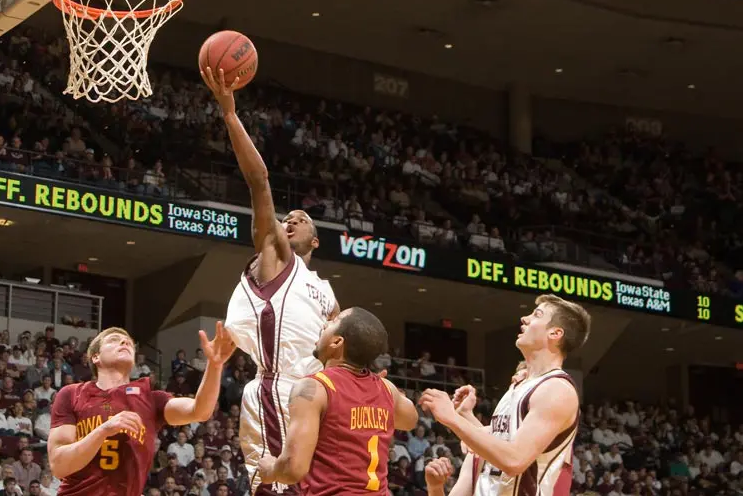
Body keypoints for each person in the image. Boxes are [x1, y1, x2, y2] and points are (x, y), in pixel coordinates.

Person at [204, 66, 339, 495]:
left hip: (319, 395)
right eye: (287, 219)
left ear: (316, 240)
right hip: (277, 389)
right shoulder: (276, 258)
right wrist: (230, 113)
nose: (291, 219)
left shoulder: (326, 290)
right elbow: (259, 181)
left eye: (302, 219)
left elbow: (340, 349)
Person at [418, 294, 591, 496]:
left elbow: (514, 460)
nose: (524, 319)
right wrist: (436, 487)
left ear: (555, 333)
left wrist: (452, 418)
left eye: (536, 314)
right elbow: (490, 444)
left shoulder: (556, 389)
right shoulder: (518, 387)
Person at [47, 324, 236, 495]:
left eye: (129, 342)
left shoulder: (151, 399)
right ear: (95, 357)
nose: (124, 341)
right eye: (114, 339)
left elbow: (200, 411)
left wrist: (215, 365)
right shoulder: (72, 394)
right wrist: (104, 430)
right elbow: (59, 466)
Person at [256, 307, 418, 494]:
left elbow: (293, 469)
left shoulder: (314, 387)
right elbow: (410, 420)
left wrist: (270, 470)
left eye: (332, 322)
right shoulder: (386, 389)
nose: (325, 324)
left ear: (337, 342)